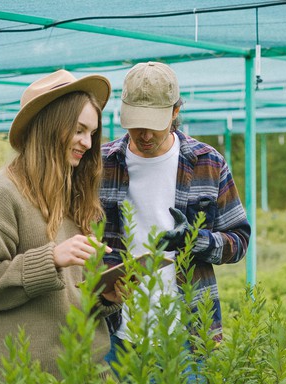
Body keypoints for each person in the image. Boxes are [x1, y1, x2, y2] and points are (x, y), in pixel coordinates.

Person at [0, 69, 122, 381]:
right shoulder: (1, 192)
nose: (88, 143)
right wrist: (50, 259)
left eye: (91, 132)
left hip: (89, 376)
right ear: (52, 126)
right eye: (79, 130)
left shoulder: (75, 196)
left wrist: (105, 296)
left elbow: (72, 298)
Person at [100, 61, 250, 360]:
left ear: (176, 112)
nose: (144, 135)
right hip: (115, 331)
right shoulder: (101, 164)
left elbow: (239, 241)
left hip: (189, 332)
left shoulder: (208, 163)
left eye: (154, 124)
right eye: (136, 123)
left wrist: (196, 240)